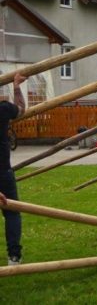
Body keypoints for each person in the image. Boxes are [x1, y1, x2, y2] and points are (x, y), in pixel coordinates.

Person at [0, 73, 27, 266]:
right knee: (12, 212)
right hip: (3, 171)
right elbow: (21, 109)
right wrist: (16, 86)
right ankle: (14, 256)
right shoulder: (3, 109)